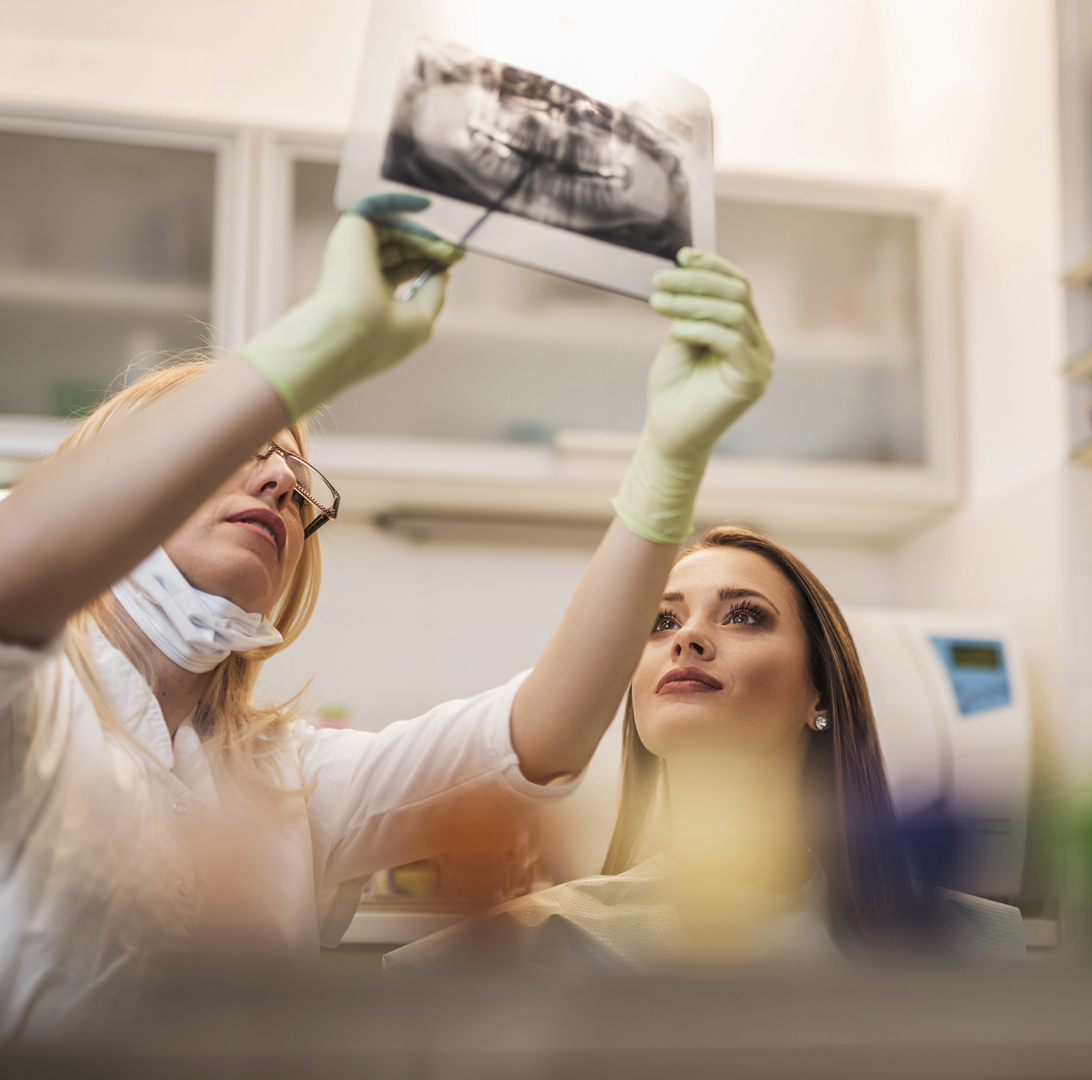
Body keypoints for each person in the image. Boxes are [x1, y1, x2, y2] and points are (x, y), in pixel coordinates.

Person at [0, 194, 774, 1040]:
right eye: (241, 453)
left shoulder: (287, 781)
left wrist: (668, 458)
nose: (282, 483)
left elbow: (537, 738)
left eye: (298, 481)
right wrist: (318, 343)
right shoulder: (32, 705)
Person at [387, 527, 1026, 974]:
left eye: (744, 615)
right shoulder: (536, 947)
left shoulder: (971, 946)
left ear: (820, 693)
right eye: (662, 622)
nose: (687, 637)